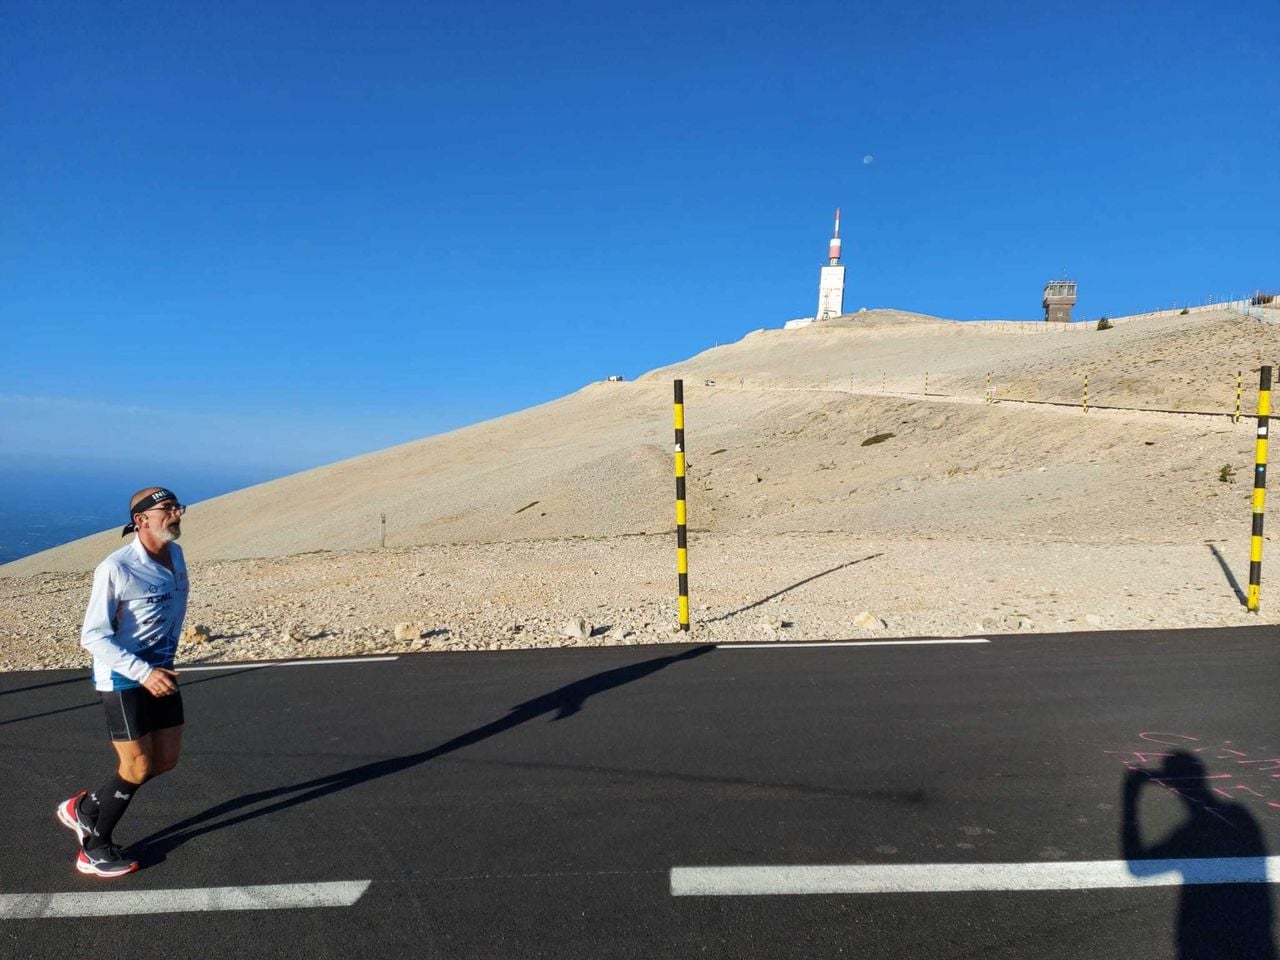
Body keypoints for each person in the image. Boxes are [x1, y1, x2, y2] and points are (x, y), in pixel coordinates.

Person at [56, 486, 189, 878]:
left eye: (178, 507)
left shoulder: (176, 554)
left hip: (162, 671)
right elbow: (92, 636)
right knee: (137, 765)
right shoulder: (116, 567)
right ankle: (94, 849)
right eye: (168, 508)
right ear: (140, 519)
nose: (177, 513)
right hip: (123, 676)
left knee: (165, 760)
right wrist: (143, 672)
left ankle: (84, 808)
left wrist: (157, 667)